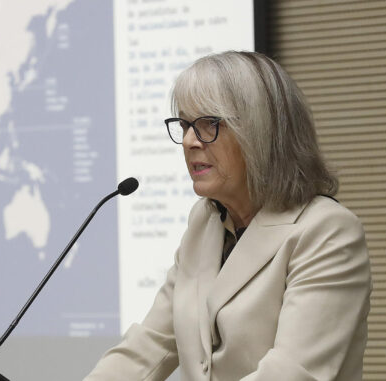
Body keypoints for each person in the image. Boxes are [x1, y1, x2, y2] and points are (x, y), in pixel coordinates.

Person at [84, 51, 371, 381]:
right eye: (185, 125)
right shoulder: (204, 224)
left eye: (209, 124)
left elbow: (291, 372)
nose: (190, 140)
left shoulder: (327, 232)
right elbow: (150, 345)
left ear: (261, 132)